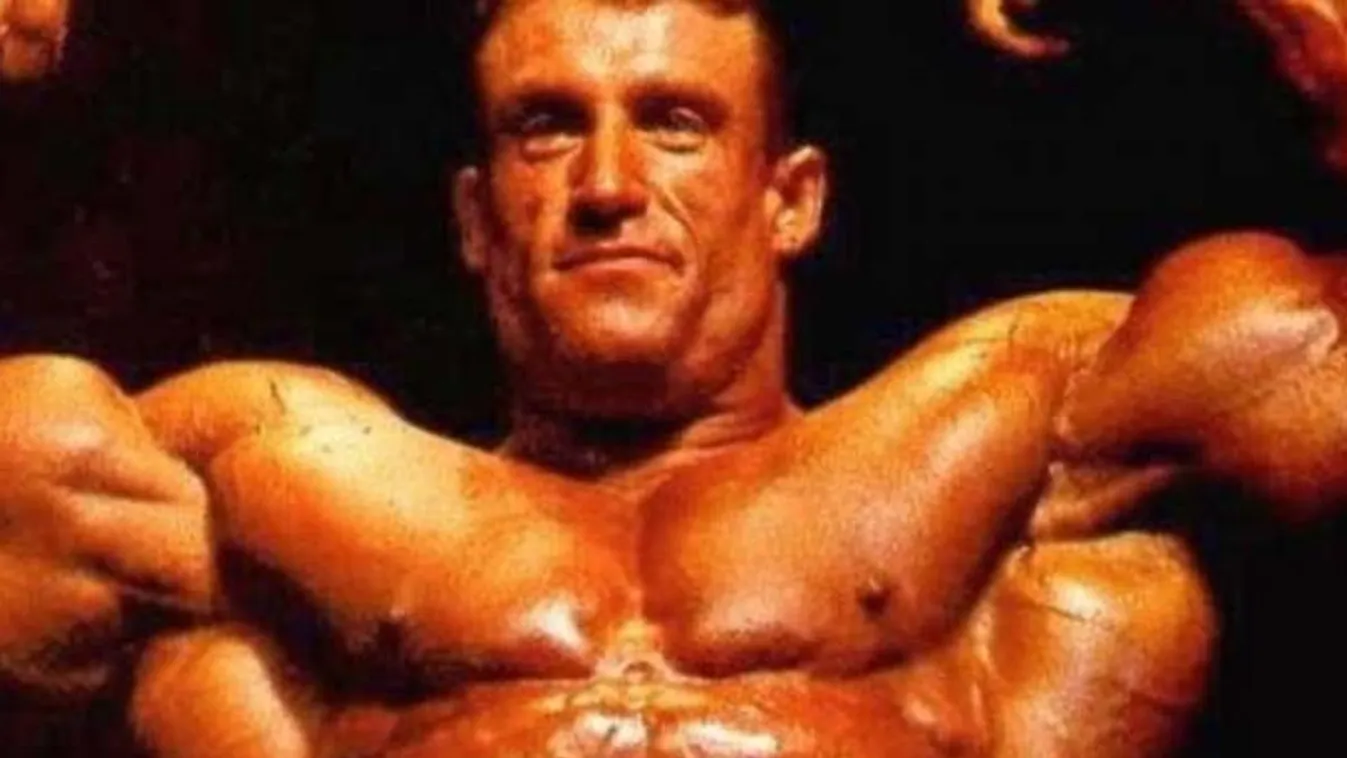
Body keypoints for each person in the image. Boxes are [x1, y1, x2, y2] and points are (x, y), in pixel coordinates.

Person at [3, 0, 1345, 755]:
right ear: (472, 217)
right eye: (546, 128)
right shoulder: (261, 488)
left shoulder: (1030, 434)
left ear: (790, 199)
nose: (605, 184)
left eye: (675, 124)